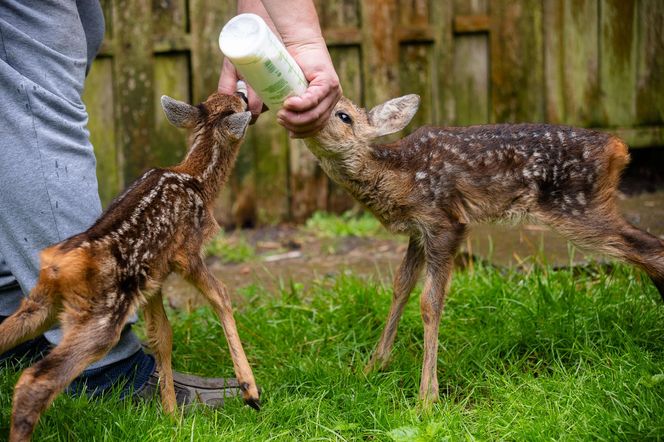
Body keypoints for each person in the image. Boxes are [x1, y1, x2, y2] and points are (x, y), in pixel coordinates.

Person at [0, 0, 339, 405]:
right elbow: (184, 263)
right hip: (80, 262)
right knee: (36, 78)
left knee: (83, 31)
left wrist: (264, 26)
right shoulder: (187, 193)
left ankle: (7, 297)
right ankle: (102, 371)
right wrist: (302, 38)